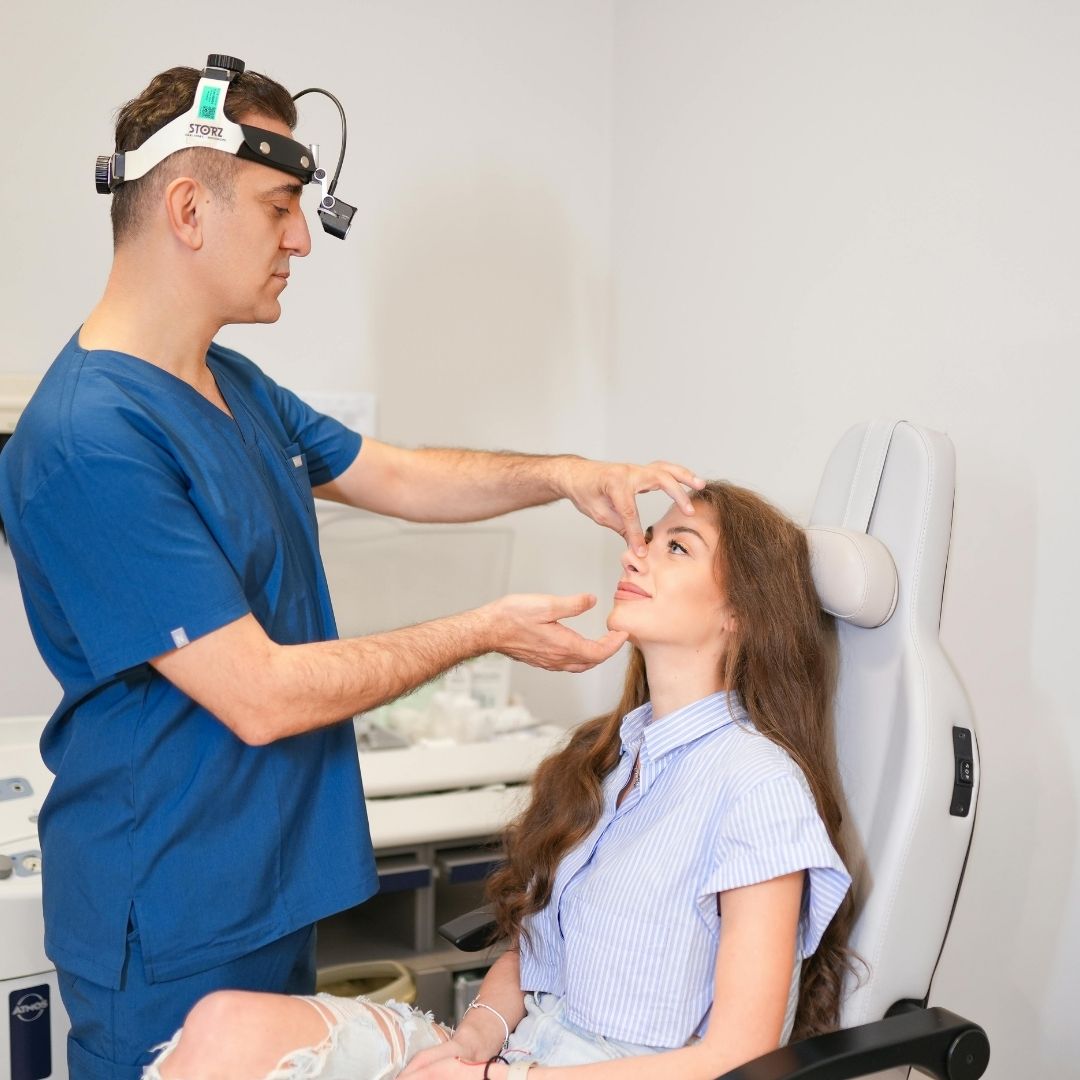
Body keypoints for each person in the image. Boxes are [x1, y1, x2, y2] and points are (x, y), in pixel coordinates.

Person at [0, 63, 704, 1080]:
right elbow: (261, 698)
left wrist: (563, 475)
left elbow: (403, 477)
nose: (299, 240)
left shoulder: (228, 381)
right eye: (283, 206)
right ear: (189, 210)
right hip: (166, 909)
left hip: (261, 885)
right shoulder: (89, 438)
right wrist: (481, 629)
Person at [143, 480, 857, 1080]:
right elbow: (537, 952)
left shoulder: (756, 784)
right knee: (225, 1024)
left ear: (741, 612)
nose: (636, 554)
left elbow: (741, 1054)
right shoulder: (612, 755)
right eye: (649, 537)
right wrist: (475, 1040)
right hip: (516, 1054)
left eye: (678, 546)